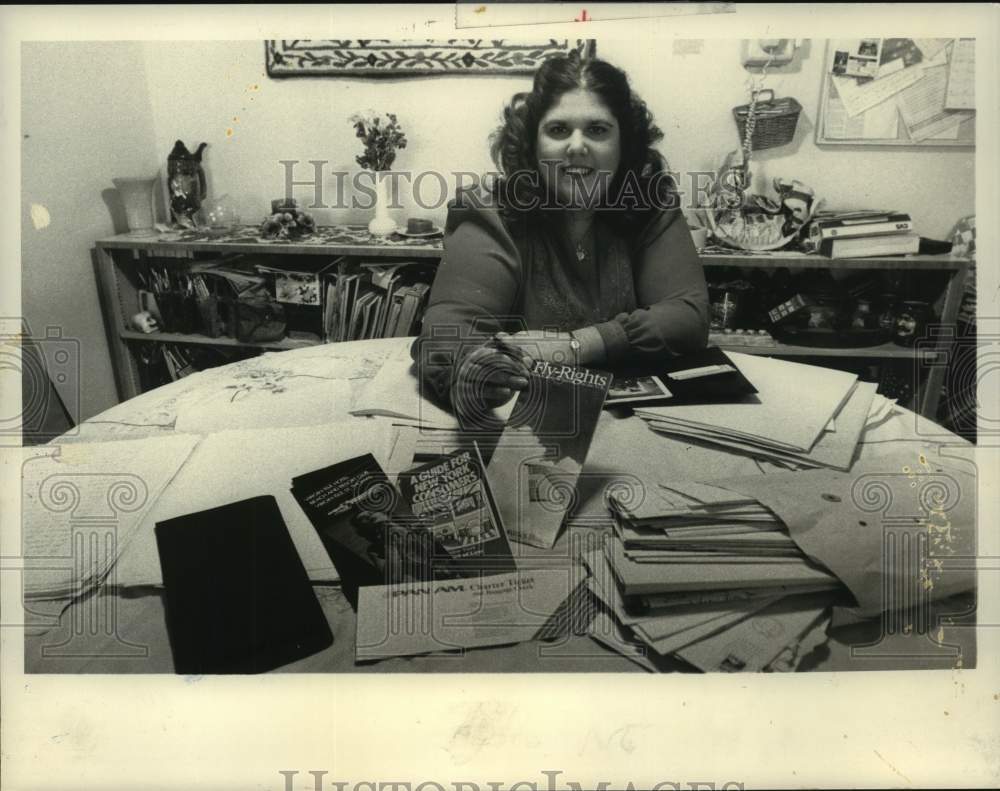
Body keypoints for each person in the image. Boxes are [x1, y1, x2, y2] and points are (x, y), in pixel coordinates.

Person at [411, 51, 709, 416]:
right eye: (558, 130)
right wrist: (472, 368)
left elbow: (688, 316)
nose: (577, 146)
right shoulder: (490, 211)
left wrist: (577, 345)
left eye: (597, 130)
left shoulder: (651, 204)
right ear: (533, 145)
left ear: (624, 143)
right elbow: (449, 325)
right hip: (521, 419)